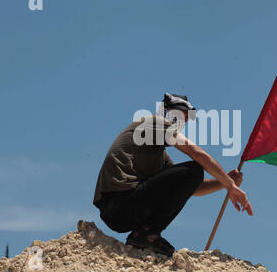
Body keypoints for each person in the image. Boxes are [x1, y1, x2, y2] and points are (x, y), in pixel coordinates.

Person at [93, 93, 253, 256]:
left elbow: (191, 187)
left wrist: (224, 182)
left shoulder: (158, 154)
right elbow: (196, 153)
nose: (182, 122)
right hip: (118, 204)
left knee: (191, 174)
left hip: (120, 212)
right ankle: (148, 233)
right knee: (195, 168)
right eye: (180, 115)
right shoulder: (155, 122)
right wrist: (229, 184)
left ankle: (143, 235)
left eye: (185, 119)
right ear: (166, 110)